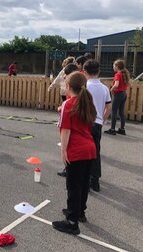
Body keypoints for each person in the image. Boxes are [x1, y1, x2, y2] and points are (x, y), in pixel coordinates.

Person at [52, 71, 97, 235]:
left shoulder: (69, 104)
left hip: (77, 149)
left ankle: (72, 221)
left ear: (69, 86)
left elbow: (66, 129)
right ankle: (80, 212)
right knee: (83, 184)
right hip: (90, 148)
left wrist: (63, 150)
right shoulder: (87, 102)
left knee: (73, 186)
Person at [84, 60, 112, 192]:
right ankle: (95, 180)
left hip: (86, 122)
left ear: (84, 72)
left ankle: (86, 178)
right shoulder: (105, 88)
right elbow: (109, 107)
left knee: (85, 152)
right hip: (98, 123)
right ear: (98, 71)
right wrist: (103, 119)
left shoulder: (85, 87)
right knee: (96, 151)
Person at [57, 62, 79, 178]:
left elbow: (66, 128)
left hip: (73, 132)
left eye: (65, 75)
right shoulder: (79, 93)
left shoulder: (72, 95)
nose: (64, 77)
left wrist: (63, 149)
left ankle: (68, 168)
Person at [104, 59, 130, 135]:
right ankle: (122, 129)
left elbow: (116, 84)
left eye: (113, 66)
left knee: (114, 111)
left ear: (117, 66)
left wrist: (111, 89)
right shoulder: (124, 74)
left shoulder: (118, 74)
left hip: (118, 94)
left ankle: (112, 129)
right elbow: (128, 84)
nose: (113, 67)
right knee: (121, 112)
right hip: (124, 94)